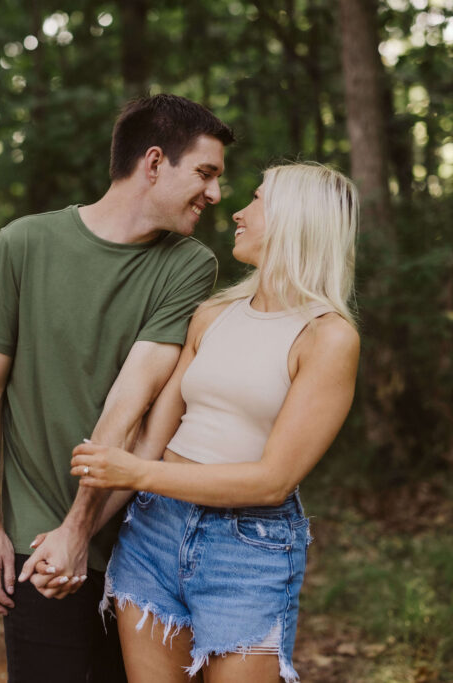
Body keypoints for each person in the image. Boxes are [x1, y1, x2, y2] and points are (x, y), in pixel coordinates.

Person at [0, 94, 235, 683]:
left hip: (138, 541)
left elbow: (130, 402)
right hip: (36, 539)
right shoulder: (23, 243)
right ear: (154, 163)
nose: (216, 194)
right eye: (205, 174)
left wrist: (80, 529)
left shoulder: (188, 263)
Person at [68, 162, 361, 683]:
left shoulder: (327, 337)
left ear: (296, 219)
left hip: (246, 551)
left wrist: (135, 474)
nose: (238, 212)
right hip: (153, 533)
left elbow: (272, 481)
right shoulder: (212, 314)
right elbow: (152, 437)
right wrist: (74, 532)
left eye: (256, 200)